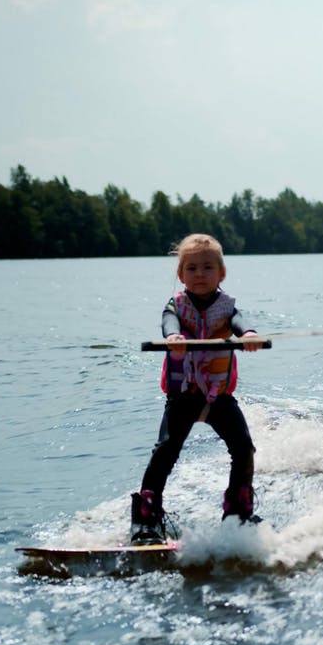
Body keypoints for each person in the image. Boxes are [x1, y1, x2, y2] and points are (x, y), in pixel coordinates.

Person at [130, 233, 265, 544]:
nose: (200, 274)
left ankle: (238, 512)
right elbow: (169, 324)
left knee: (243, 447)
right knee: (165, 450)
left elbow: (241, 324)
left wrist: (249, 336)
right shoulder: (174, 307)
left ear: (221, 273)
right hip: (183, 397)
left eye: (207, 267)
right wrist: (174, 338)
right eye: (191, 268)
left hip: (219, 398)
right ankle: (146, 520)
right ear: (181, 275)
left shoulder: (229, 308)